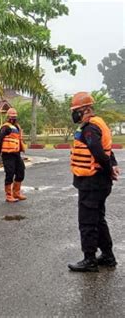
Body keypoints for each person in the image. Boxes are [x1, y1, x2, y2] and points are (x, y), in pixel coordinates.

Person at [67, 92, 120, 272]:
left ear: (86, 109)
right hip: (98, 181)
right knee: (98, 219)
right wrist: (112, 167)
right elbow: (107, 151)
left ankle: (89, 259)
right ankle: (108, 255)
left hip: (92, 181)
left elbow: (98, 153)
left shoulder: (90, 128)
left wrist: (109, 170)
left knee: (88, 222)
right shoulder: (98, 124)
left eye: (76, 110)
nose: (74, 114)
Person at [0, 108, 27, 202]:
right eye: (11, 117)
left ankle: (16, 193)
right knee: (10, 173)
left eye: (14, 117)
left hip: (16, 154)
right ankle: (9, 195)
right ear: (7, 117)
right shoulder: (5, 127)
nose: (12, 118)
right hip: (7, 155)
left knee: (21, 172)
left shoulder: (16, 127)